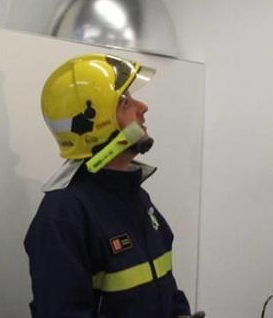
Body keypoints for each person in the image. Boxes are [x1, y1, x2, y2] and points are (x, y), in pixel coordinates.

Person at [25, 54, 204, 318]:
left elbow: (162, 285)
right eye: (124, 102)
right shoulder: (64, 214)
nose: (142, 107)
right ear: (97, 124)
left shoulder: (135, 197)